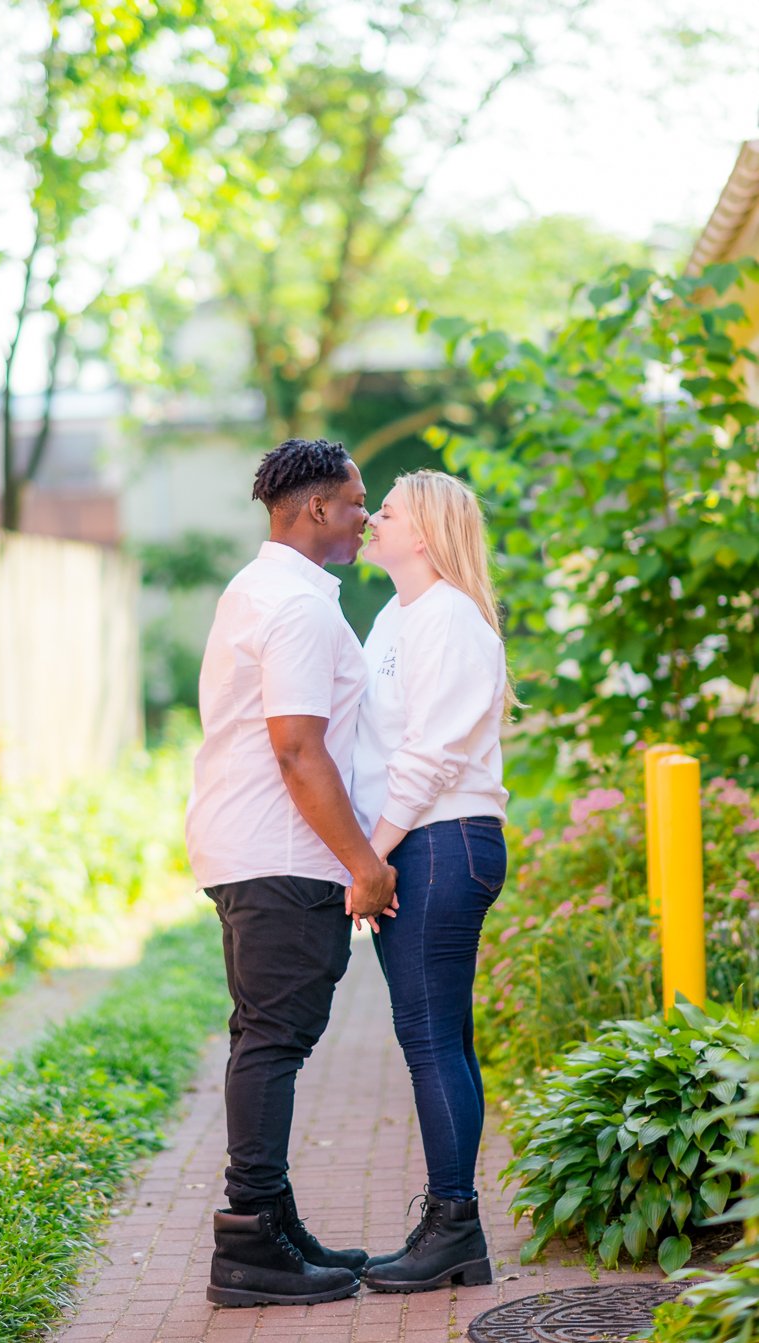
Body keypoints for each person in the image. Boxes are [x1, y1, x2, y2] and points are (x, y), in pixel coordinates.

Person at [186, 438, 398, 1308]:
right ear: (314, 508)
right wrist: (364, 862)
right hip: (279, 854)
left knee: (263, 1036)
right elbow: (297, 746)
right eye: (354, 502)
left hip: (252, 848)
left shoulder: (260, 587)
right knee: (274, 1040)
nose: (364, 516)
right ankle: (249, 1246)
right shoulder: (299, 609)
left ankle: (271, 1226)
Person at [348, 469, 512, 1294]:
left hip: (442, 840)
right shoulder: (393, 616)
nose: (371, 518)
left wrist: (371, 859)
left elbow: (428, 754)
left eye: (387, 511)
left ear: (426, 532)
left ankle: (453, 1226)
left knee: (427, 1036)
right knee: (442, 1035)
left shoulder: (448, 616)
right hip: (420, 840)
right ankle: (455, 1227)